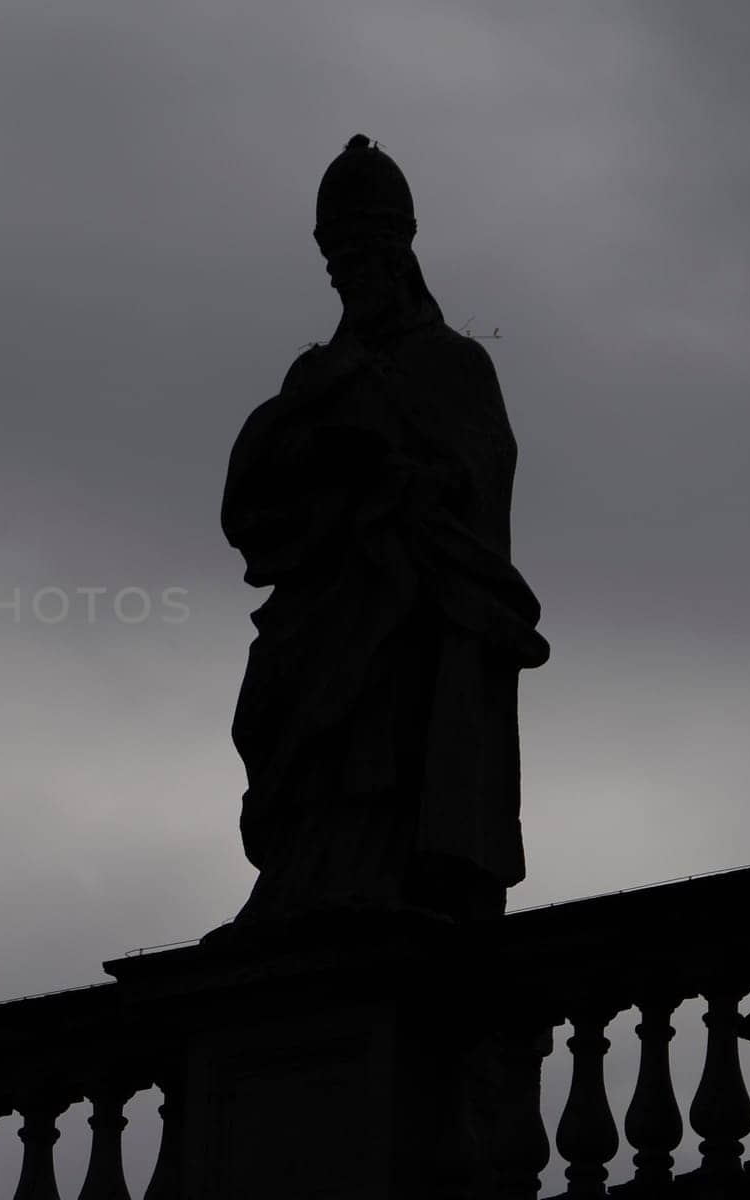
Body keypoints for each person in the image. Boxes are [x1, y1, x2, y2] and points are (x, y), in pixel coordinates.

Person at [221, 137, 549, 923]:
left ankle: (381, 877)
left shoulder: (453, 364)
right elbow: (259, 485)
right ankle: (304, 876)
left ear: (401, 255)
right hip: (325, 594)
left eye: (367, 258)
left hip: (410, 600)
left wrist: (414, 483)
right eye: (340, 266)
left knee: (386, 733)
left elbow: (482, 469)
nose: (354, 278)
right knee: (278, 714)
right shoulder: (317, 374)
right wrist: (324, 454)